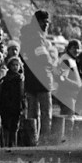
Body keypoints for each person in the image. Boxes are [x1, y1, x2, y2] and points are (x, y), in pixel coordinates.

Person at [20, 10, 57, 144]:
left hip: (30, 78)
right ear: (38, 22)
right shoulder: (37, 36)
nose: (46, 24)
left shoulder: (25, 36)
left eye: (47, 22)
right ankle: (44, 140)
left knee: (32, 111)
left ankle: (31, 139)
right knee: (46, 112)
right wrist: (52, 61)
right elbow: (43, 57)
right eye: (44, 22)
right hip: (42, 78)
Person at [0, 56, 25, 147]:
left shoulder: (21, 78)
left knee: (15, 126)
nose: (15, 67)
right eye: (13, 65)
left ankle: (13, 144)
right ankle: (5, 144)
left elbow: (23, 94)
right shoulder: (6, 78)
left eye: (17, 65)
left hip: (17, 105)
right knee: (6, 126)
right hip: (7, 105)